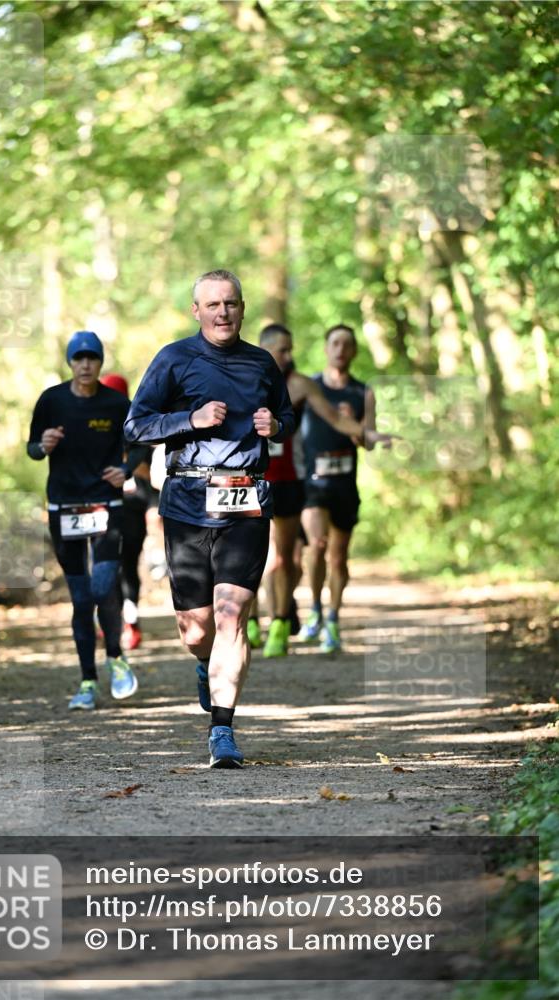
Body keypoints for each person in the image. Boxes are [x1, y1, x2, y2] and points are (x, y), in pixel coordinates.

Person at [124, 269, 295, 769]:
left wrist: (275, 425)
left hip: (245, 500)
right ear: (196, 311)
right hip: (187, 501)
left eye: (232, 304)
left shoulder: (262, 362)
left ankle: (222, 728)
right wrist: (189, 420)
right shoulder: (174, 359)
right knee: (197, 631)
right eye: (213, 305)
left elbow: (287, 417)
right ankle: (205, 665)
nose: (223, 312)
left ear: (243, 308)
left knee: (230, 616)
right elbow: (136, 425)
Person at [27, 332, 146, 710]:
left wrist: (126, 469)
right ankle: (87, 681)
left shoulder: (115, 403)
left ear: (100, 362)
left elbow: (142, 440)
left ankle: (115, 656)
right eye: (78, 358)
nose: (85, 364)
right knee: (81, 598)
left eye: (92, 358)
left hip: (105, 505)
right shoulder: (51, 400)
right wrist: (42, 445)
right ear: (70, 362)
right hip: (64, 506)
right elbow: (32, 447)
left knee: (102, 586)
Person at [257, 323, 366, 658]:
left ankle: (285, 620)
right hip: (251, 480)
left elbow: (335, 418)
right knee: (261, 556)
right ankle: (252, 620)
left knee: (289, 555)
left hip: (294, 480)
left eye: (292, 350)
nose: (290, 356)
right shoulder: (245, 380)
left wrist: (367, 434)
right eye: (283, 350)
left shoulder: (305, 386)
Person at [300, 323, 389, 653]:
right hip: (313, 482)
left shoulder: (363, 393)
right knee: (317, 545)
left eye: (346, 344)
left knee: (338, 558)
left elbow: (369, 443)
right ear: (326, 348)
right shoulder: (310, 388)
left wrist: (354, 426)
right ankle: (315, 610)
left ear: (353, 352)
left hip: (344, 486)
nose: (340, 349)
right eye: (334, 343)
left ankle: (334, 619)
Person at [100, 373, 153, 651]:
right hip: (100, 507)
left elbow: (147, 473)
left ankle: (131, 622)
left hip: (132, 507)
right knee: (105, 566)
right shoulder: (93, 427)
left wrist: (122, 463)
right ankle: (111, 619)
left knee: (127, 566)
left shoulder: (138, 429)